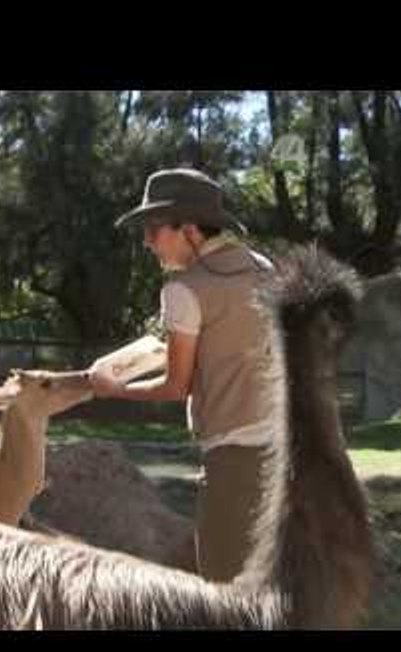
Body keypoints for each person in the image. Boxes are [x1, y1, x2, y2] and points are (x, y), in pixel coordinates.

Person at [89, 167, 274, 582]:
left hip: (234, 458)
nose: (147, 241)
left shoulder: (183, 289)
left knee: (224, 589)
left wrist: (115, 388)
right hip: (290, 451)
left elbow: (176, 386)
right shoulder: (264, 268)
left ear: (189, 229)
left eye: (154, 229)